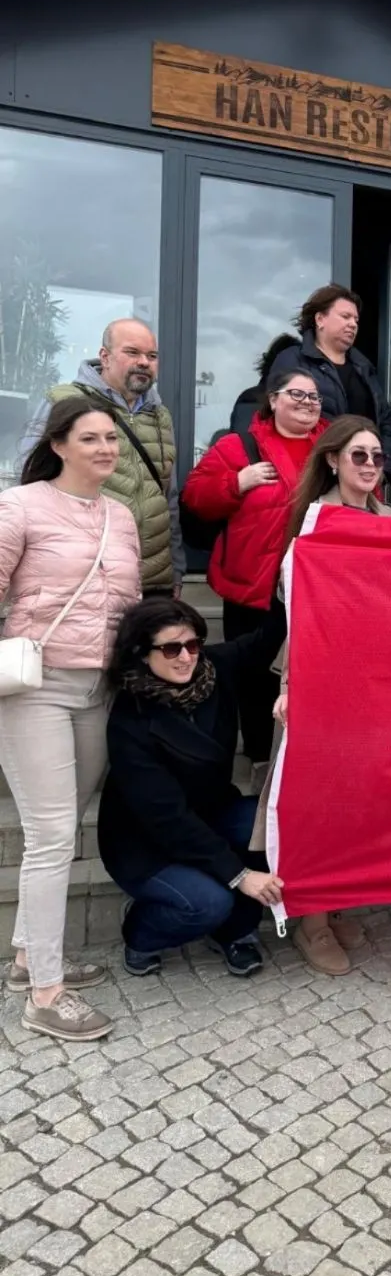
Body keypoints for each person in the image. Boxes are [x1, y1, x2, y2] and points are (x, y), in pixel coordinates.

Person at [2, 397, 146, 1042]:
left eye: (112, 438)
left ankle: (28, 957)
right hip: (36, 686)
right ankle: (45, 995)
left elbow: (130, 603)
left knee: (67, 820)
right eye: (91, 438)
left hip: (98, 688)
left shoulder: (121, 515)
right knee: (53, 835)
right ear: (59, 444)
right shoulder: (21, 505)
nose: (106, 449)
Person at [99, 597, 285, 980]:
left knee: (265, 824)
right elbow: (167, 818)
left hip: (211, 812)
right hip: (145, 842)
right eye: (171, 648)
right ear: (141, 652)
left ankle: (235, 930)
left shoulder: (213, 668)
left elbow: (265, 640)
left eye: (193, 645)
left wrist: (292, 584)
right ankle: (142, 932)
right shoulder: (129, 720)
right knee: (207, 902)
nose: (186, 657)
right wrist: (239, 876)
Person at [268, 415, 391, 974]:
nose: (369, 465)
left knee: (357, 797)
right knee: (315, 796)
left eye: (376, 457)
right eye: (358, 455)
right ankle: (310, 920)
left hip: (372, 677)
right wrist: (292, 683)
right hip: (318, 672)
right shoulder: (314, 524)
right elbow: (300, 610)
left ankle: (335, 898)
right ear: (333, 460)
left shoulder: (390, 519)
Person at [181, 368, 325, 761]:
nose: (307, 403)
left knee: (305, 678)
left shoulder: (332, 448)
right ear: (273, 400)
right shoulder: (238, 447)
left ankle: (294, 760)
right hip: (250, 590)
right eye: (296, 394)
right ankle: (259, 761)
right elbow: (195, 497)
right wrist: (236, 483)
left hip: (310, 589)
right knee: (253, 680)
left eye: (314, 397)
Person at [19, 319, 181, 596]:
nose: (144, 362)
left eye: (152, 356)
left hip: (153, 580)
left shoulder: (160, 415)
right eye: (132, 352)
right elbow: (29, 485)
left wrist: (175, 569)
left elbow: (168, 497)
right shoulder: (65, 401)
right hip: (87, 577)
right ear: (104, 356)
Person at [264, 284, 389, 434]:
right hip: (313, 456)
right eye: (345, 316)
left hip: (363, 456)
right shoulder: (292, 360)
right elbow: (273, 416)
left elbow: (386, 420)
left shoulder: (364, 368)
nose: (353, 324)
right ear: (320, 319)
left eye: (356, 320)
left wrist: (384, 457)